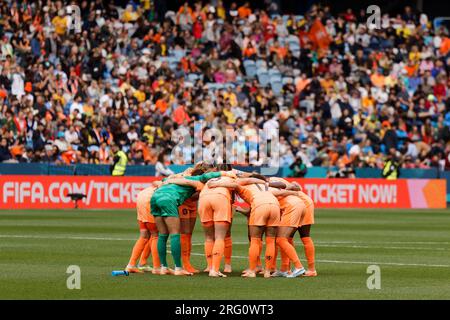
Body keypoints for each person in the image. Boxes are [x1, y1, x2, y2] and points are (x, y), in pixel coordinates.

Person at [150, 167, 236, 275]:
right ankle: (178, 268)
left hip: (155, 197)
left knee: (162, 234)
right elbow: (206, 176)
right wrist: (226, 173)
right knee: (175, 234)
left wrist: (170, 179)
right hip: (168, 198)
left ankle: (162, 267)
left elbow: (160, 181)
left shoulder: (179, 176)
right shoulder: (198, 179)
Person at [125, 181, 162, 274]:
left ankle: (133, 265)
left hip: (142, 195)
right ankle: (157, 267)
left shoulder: (175, 178)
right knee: (155, 235)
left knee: (144, 235)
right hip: (150, 198)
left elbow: (155, 182)